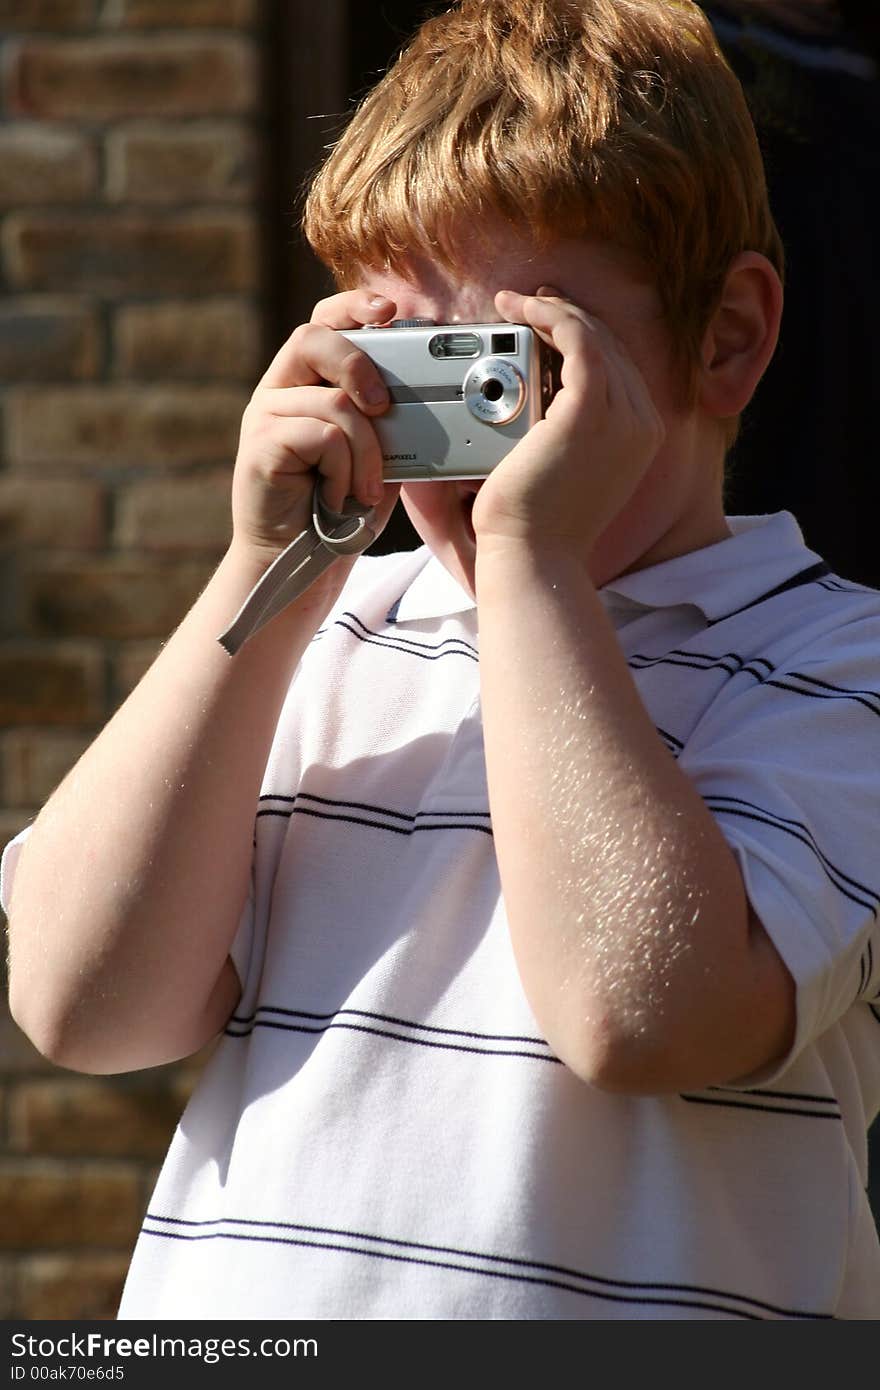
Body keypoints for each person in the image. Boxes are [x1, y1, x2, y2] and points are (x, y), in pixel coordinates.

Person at [3, 0, 880, 1320]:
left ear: (728, 338)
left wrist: (535, 566)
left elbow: (638, 1011)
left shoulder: (839, 663)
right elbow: (83, 1004)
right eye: (410, 371)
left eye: (515, 370)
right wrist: (264, 570)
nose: (469, 454)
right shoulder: (321, 640)